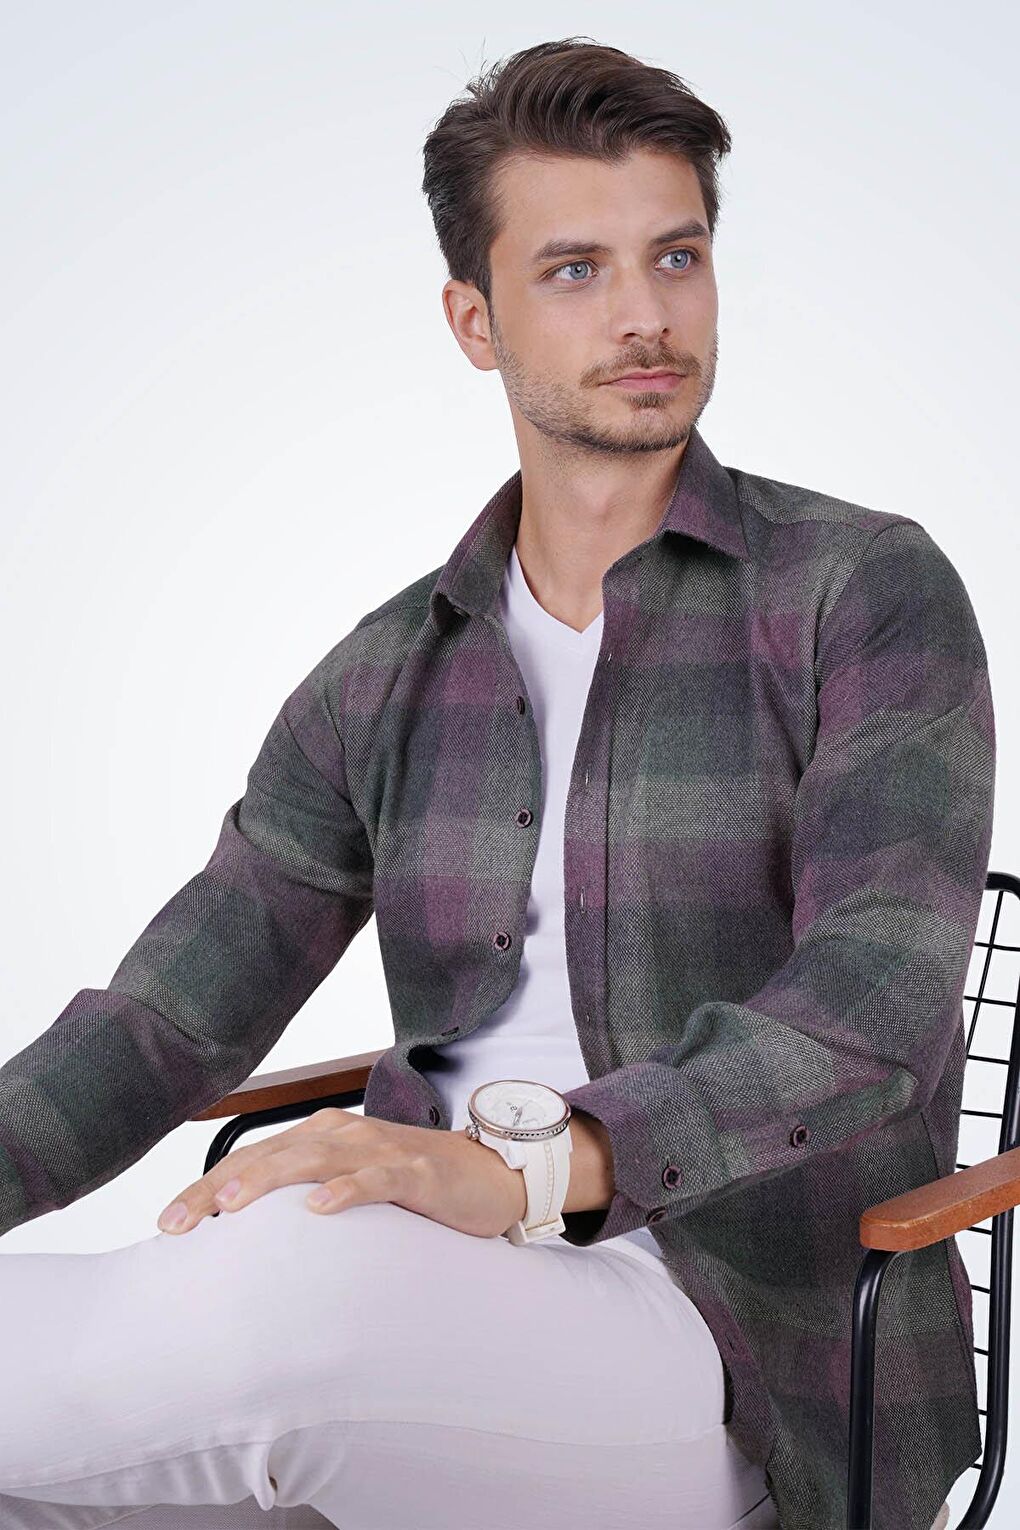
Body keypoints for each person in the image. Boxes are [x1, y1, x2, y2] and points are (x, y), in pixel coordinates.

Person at [0, 35, 990, 1530]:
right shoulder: (386, 672)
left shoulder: (861, 591)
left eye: (677, 256)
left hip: (736, 1328)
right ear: (476, 319)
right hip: (413, 1278)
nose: (648, 314)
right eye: (576, 270)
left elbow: (873, 1001)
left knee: (287, 1296)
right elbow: (165, 1019)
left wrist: (530, 1171)